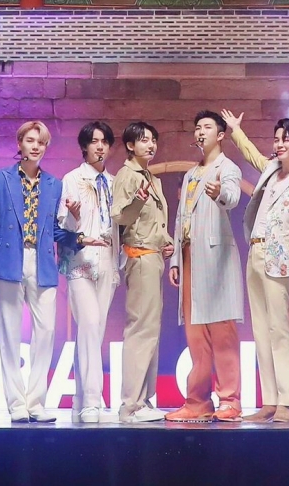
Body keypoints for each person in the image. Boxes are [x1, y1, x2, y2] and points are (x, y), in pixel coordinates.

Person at [0, 120, 107, 423]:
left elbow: (54, 231)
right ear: (20, 143)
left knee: (46, 333)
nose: (36, 147)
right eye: (31, 140)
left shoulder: (54, 185)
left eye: (42, 142)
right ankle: (16, 404)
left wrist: (79, 238)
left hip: (42, 262)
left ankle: (36, 402)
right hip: (8, 261)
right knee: (9, 335)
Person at [221, 109, 289, 424]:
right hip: (255, 252)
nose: (279, 144)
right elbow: (252, 155)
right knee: (260, 329)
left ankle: (287, 401)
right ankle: (270, 400)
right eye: (276, 139)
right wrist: (235, 130)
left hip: (278, 257)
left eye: (285, 139)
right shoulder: (271, 170)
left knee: (279, 329)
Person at [165, 111, 244, 423]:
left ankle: (230, 400)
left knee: (222, 332)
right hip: (189, 257)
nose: (200, 132)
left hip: (216, 258)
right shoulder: (190, 174)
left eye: (207, 127)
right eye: (197, 127)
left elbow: (232, 197)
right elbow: (180, 218)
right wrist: (175, 259)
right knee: (195, 335)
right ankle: (198, 401)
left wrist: (220, 193)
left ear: (221, 135)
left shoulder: (228, 168)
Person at [112, 121, 174, 423]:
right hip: (139, 257)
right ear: (130, 145)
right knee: (140, 329)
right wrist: (137, 200)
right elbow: (120, 217)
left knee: (151, 330)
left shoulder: (151, 178)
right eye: (144, 140)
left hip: (154, 257)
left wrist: (166, 241)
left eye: (153, 140)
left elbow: (156, 222)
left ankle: (144, 399)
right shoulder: (127, 176)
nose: (150, 145)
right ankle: (130, 405)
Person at [57, 121, 120, 423]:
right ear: (84, 146)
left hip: (107, 259)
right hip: (80, 259)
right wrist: (74, 216)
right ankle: (93, 402)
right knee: (90, 324)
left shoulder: (115, 182)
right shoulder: (72, 179)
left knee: (93, 331)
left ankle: (80, 401)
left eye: (104, 141)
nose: (100, 146)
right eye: (94, 141)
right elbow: (62, 226)